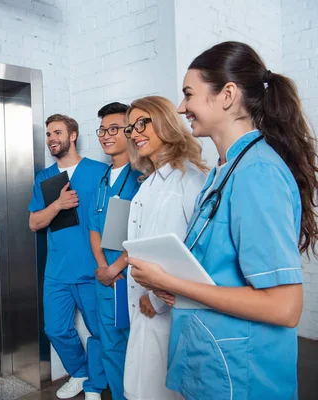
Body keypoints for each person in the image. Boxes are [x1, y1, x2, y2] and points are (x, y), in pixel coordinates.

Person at [129, 41, 318, 400]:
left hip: (243, 373)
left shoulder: (257, 173)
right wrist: (173, 285)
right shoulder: (225, 171)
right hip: (212, 359)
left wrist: (174, 283)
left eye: (189, 94)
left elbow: (285, 307)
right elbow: (221, 270)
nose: (182, 107)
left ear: (228, 95)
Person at [122, 96, 208, 400]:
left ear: (166, 122)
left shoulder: (190, 180)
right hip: (144, 303)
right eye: (131, 127)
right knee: (143, 387)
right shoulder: (148, 183)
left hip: (168, 306)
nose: (134, 133)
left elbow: (199, 254)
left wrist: (158, 299)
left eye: (143, 123)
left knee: (165, 389)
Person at [29, 114, 108, 399]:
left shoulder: (100, 172)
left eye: (57, 133)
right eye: (48, 134)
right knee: (56, 329)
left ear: (72, 135)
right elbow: (34, 222)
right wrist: (58, 205)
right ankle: (79, 372)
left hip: (93, 268)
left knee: (100, 331)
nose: (52, 139)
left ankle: (95, 385)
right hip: (57, 271)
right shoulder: (45, 178)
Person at [89, 102, 142, 400]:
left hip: (127, 276)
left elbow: (143, 231)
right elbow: (93, 227)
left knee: (135, 347)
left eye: (113, 129)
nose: (106, 136)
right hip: (105, 277)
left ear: (130, 131)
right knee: (110, 345)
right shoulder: (101, 178)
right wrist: (102, 267)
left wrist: (116, 267)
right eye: (102, 130)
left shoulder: (140, 176)